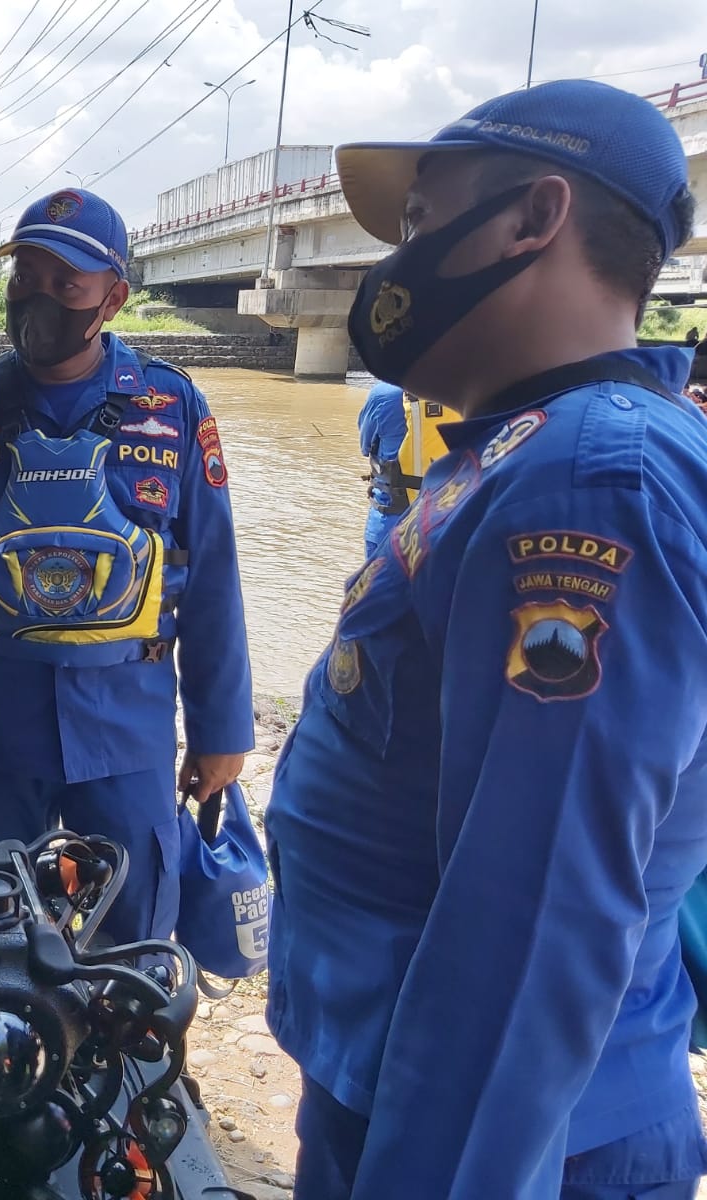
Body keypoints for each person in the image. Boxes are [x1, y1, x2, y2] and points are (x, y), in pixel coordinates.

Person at [266, 78, 707, 1199]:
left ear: (533, 217)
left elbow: (528, 929)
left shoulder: (585, 487)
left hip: (504, 1141)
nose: (395, 266)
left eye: (418, 224)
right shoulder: (521, 452)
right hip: (418, 1088)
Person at [0, 188, 254, 953]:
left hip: (129, 722)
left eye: (64, 284)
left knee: (136, 935)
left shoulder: (172, 410)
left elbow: (213, 581)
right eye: (24, 278)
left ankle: (135, 1066)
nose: (39, 299)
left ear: (114, 297)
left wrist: (221, 729)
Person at [356, 380, 408, 557]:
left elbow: (365, 446)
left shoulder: (385, 393)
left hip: (390, 518)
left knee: (374, 583)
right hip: (444, 519)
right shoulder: (460, 392)